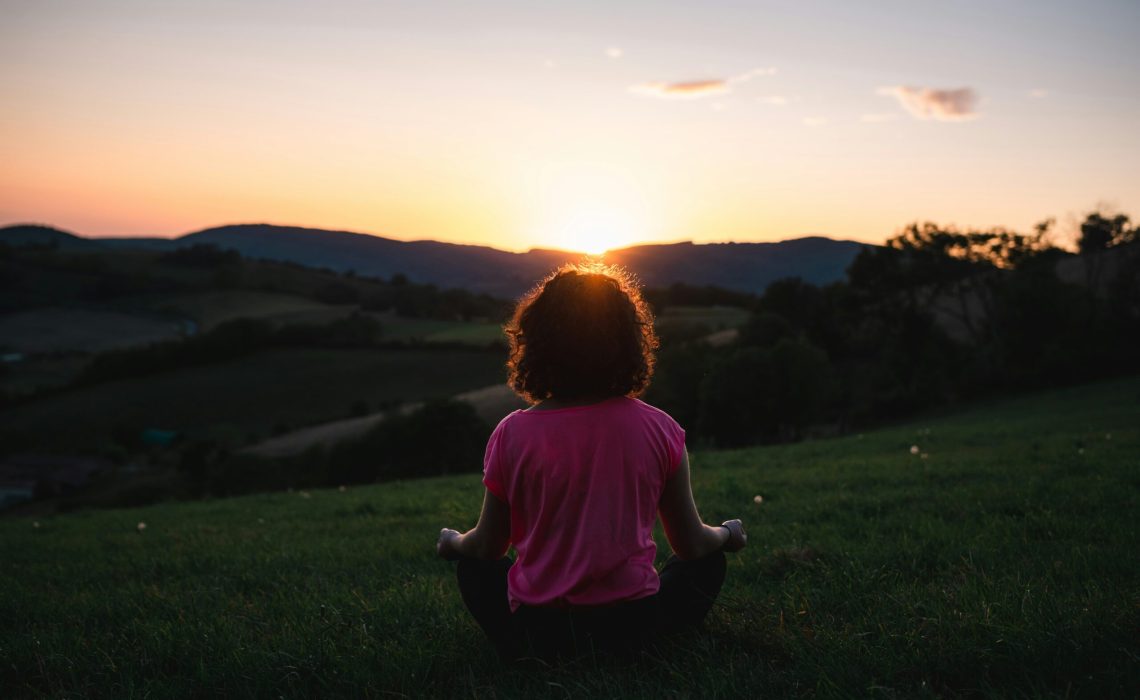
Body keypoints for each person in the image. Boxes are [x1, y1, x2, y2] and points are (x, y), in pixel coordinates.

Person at [436, 263, 747, 661]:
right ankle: (647, 642)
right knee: (706, 564)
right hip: (633, 629)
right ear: (628, 342)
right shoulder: (660, 428)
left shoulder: (511, 433)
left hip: (537, 632)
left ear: (537, 343)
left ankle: (523, 647)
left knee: (472, 568)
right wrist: (727, 533)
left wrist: (453, 542)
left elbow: (487, 547)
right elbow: (690, 545)